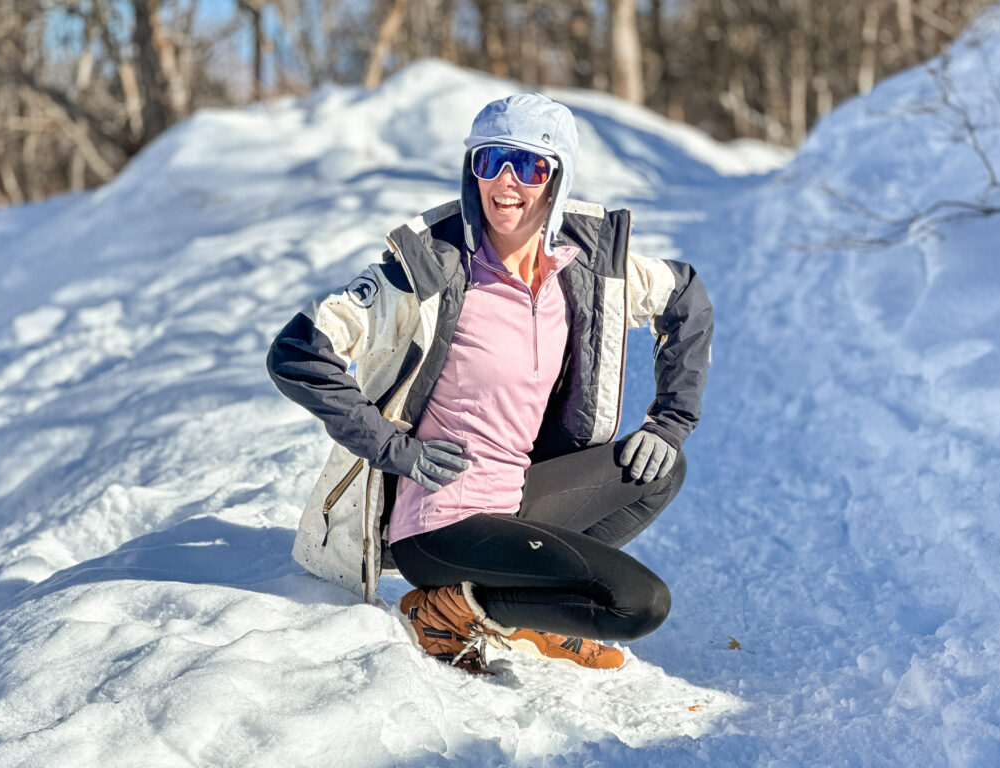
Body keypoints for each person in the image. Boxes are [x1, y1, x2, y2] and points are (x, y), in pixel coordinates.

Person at [267, 93, 713, 673]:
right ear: (470, 169)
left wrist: (670, 421)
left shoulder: (582, 268)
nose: (506, 181)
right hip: (441, 522)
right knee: (636, 604)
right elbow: (297, 349)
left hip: (516, 499)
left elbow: (685, 297)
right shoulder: (430, 270)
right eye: (490, 160)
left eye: (529, 165)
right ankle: (451, 608)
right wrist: (392, 448)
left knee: (658, 467)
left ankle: (523, 612)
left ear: (557, 179)